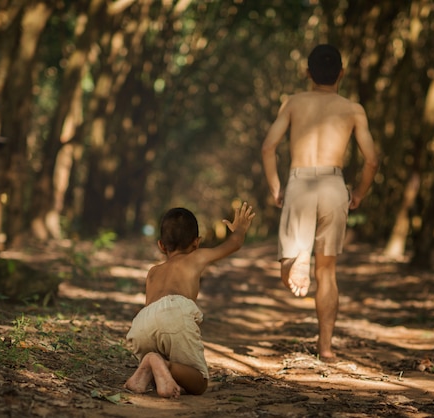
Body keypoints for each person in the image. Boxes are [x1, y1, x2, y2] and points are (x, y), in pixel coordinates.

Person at [261, 44, 379, 362]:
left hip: (300, 182)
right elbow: (371, 161)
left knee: (289, 260)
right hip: (333, 184)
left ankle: (297, 261)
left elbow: (268, 147)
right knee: (327, 272)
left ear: (307, 73)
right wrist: (358, 195)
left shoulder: (293, 103)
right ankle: (325, 348)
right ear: (341, 73)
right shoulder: (353, 109)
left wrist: (275, 188)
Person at [124, 203, 255, 398]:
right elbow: (233, 244)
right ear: (197, 242)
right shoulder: (196, 257)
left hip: (143, 322)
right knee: (198, 382)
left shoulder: (153, 272)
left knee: (158, 366)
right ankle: (162, 363)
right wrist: (240, 229)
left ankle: (151, 365)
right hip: (176, 312)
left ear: (161, 245)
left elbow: (152, 309)